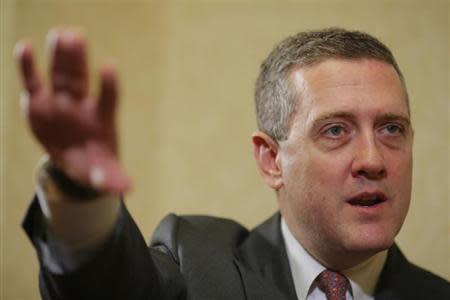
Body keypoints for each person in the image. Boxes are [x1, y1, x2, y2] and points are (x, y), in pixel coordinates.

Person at [17, 28, 449, 300]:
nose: (373, 160)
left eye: (392, 129)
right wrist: (80, 196)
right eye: (335, 130)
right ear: (271, 160)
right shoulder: (198, 263)